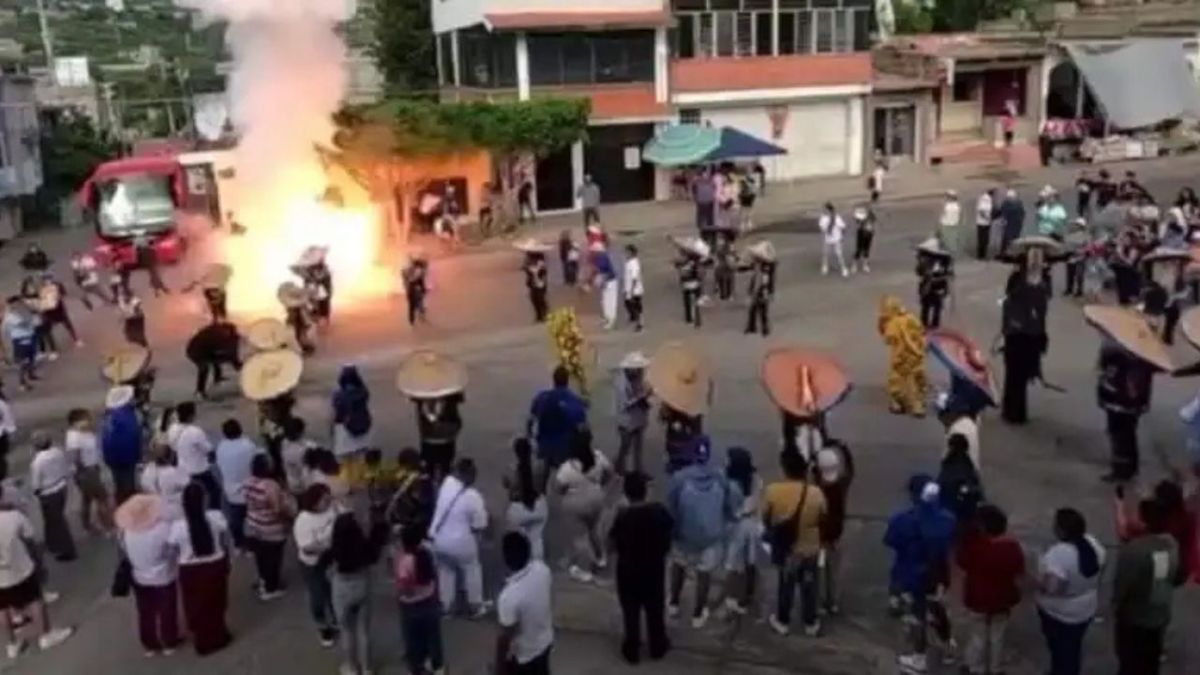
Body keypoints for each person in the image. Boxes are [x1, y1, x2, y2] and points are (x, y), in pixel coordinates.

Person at [885, 475, 957, 673]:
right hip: (938, 575)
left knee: (916, 617)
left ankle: (919, 657)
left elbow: (890, 541)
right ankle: (948, 644)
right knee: (937, 607)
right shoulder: (948, 519)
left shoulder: (902, 520)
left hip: (911, 576)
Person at [666, 448, 739, 629]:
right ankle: (698, 613)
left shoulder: (680, 478)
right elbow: (729, 507)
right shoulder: (720, 478)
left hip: (683, 536)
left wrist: (673, 530)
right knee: (704, 574)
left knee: (678, 566)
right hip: (710, 538)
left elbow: (671, 507)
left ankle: (673, 603)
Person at [0, 484, 73, 659]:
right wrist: (38, 563)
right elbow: (30, 540)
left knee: (3, 609)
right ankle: (45, 635)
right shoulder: (14, 517)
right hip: (21, 569)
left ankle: (12, 644)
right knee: (34, 600)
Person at [609, 472, 672, 664]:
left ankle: (632, 649)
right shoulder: (659, 512)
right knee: (655, 610)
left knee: (631, 611)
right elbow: (670, 532)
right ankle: (657, 645)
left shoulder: (623, 517)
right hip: (653, 569)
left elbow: (610, 544)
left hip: (628, 570)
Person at [762, 450, 827, 636]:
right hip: (809, 548)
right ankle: (810, 623)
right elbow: (823, 518)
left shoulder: (773, 491)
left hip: (787, 549)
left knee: (786, 584)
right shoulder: (816, 493)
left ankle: (783, 621)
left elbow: (766, 518)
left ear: (784, 469)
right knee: (810, 585)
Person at [956, 503, 1025, 675]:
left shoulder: (974, 547)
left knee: (978, 636)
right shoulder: (1011, 548)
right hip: (1002, 599)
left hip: (977, 599)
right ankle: (996, 669)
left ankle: (975, 668)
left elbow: (962, 562)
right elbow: (1018, 571)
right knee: (997, 637)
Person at [1113, 498, 1179, 675]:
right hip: (1159, 615)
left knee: (1129, 661)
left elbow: (1122, 586)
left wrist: (1116, 606)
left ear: (1143, 520)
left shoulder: (1135, 550)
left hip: (1136, 618)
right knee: (1150, 661)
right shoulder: (1171, 544)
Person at [1036, 508, 1104, 675]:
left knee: (1061, 651)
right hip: (1086, 607)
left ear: (1060, 530)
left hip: (1059, 612)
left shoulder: (1058, 555)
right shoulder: (1093, 544)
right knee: (1073, 646)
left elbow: (1052, 588)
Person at [169, 482, 232, 655]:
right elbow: (224, 533)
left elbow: (173, 546)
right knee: (216, 603)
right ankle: (219, 635)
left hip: (189, 569)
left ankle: (202, 639)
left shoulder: (178, 527)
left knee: (196, 605)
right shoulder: (216, 517)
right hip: (214, 564)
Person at [116, 494, 180, 656]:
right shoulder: (162, 529)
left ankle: (150, 644)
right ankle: (169, 641)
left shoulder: (125, 532)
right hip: (163, 574)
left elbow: (123, 552)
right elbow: (172, 548)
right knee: (167, 609)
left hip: (139, 575)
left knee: (145, 611)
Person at [431, 458, 490, 616]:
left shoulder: (447, 483)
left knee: (446, 571)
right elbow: (480, 525)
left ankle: (446, 605)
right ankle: (475, 605)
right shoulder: (473, 496)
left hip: (438, 539)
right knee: (472, 567)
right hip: (461, 544)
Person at [329, 511, 385, 675]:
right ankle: (367, 667)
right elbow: (375, 551)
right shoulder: (364, 547)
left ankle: (351, 667)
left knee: (346, 630)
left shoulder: (336, 548)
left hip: (342, 589)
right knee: (364, 631)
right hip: (362, 584)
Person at [1000, 246, 1051, 424]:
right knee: (1014, 373)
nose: (1035, 262)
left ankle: (1016, 411)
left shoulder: (1042, 279)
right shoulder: (1019, 278)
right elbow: (1010, 299)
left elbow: (1043, 305)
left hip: (1028, 333)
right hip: (1020, 332)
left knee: (1020, 373)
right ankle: (1012, 410)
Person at [554, 428, 612, 583]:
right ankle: (601, 558)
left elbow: (559, 488)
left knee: (580, 537)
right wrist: (601, 486)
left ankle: (584, 569)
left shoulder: (567, 467)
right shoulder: (599, 457)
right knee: (595, 530)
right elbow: (609, 473)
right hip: (596, 498)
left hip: (575, 503)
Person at [495, 532, 554, 675]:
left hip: (525, 655)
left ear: (505, 559)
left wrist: (500, 667)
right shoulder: (543, 570)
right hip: (546, 641)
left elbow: (506, 636)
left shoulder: (509, 597)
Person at [1097, 341, 1154, 483]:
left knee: (1121, 438)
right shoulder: (1139, 357)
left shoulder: (1126, 360)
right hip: (1123, 404)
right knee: (1127, 437)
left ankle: (1122, 470)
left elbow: (1131, 388)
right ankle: (1129, 468)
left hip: (1121, 405)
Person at [395, 523, 444, 674]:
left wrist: (400, 595)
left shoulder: (405, 561)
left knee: (413, 638)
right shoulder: (426, 554)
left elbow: (404, 587)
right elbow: (434, 575)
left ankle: (417, 666)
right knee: (432, 636)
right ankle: (437, 665)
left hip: (411, 605)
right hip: (429, 600)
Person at [245, 454, 294, 600]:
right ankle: (271, 588)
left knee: (261, 556)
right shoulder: (271, 486)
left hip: (255, 526)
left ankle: (263, 580)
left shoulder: (249, 482)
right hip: (272, 529)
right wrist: (287, 522)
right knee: (273, 557)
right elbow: (278, 509)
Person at [527, 366, 589, 485]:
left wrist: (531, 439)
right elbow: (582, 429)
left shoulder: (541, 397)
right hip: (566, 448)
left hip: (544, 447)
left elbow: (530, 421)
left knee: (544, 478)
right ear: (567, 380)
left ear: (553, 380)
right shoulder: (574, 400)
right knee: (565, 480)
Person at [293, 484, 337, 647]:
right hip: (312, 564)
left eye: (328, 498)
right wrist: (326, 547)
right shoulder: (303, 520)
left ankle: (335, 619)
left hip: (330, 558)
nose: (328, 502)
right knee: (317, 594)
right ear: (314, 502)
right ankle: (322, 626)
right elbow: (306, 547)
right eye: (324, 500)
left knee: (332, 591)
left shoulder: (331, 510)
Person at [814, 442, 854, 614]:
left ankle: (821, 602)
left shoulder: (816, 488)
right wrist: (843, 448)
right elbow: (851, 471)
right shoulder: (841, 486)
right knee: (834, 572)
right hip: (836, 536)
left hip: (819, 537)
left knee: (819, 571)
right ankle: (833, 602)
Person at [722, 447, 762, 616]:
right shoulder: (755, 480)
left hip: (735, 524)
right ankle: (749, 593)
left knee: (732, 563)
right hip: (752, 523)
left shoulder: (728, 483)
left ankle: (732, 597)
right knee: (750, 561)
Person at [28, 431, 76, 562]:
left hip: (48, 492)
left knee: (56, 521)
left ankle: (66, 549)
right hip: (61, 486)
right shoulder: (58, 452)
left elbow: (36, 483)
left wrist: (36, 493)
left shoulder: (37, 462)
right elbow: (65, 469)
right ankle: (52, 543)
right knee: (54, 519)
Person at [215, 418, 262, 552]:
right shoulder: (248, 445)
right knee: (254, 518)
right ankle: (256, 542)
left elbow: (219, 465)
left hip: (231, 492)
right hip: (249, 488)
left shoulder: (221, 447)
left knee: (235, 520)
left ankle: (239, 543)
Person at [878, 296, 927, 417]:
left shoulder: (892, 323)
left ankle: (898, 402)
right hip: (915, 358)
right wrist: (920, 348)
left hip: (900, 358)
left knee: (897, 380)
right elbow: (921, 333)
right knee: (917, 379)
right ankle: (918, 405)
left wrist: (881, 323)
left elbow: (888, 340)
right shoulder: (912, 318)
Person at [64, 409, 111, 533]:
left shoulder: (84, 432)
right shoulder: (74, 438)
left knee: (87, 499)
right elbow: (75, 457)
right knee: (102, 497)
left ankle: (87, 524)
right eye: (86, 419)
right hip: (87, 472)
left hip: (92, 468)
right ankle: (106, 524)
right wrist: (84, 472)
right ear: (75, 422)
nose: (89, 421)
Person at [167, 401, 219, 508]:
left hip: (182, 468)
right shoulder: (195, 431)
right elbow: (208, 449)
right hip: (198, 469)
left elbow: (172, 446)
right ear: (191, 416)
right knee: (215, 492)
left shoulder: (172, 429)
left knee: (190, 497)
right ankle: (213, 513)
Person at [505, 438, 549, 561]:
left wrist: (508, 485)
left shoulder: (512, 469)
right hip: (539, 505)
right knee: (536, 538)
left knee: (519, 539)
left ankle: (522, 565)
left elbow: (511, 491)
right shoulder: (540, 466)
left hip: (519, 508)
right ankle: (538, 565)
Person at [102, 385, 143, 505]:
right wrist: (138, 456)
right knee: (128, 485)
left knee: (118, 484)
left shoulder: (109, 415)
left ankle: (120, 504)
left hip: (111, 458)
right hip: (126, 457)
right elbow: (133, 437)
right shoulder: (127, 416)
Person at [613, 352, 652, 476]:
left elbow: (642, 391)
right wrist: (640, 397)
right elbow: (625, 404)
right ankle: (618, 466)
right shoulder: (621, 384)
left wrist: (647, 394)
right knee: (625, 447)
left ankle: (639, 471)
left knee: (638, 448)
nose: (640, 372)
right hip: (626, 421)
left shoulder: (639, 378)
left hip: (639, 418)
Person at [185, 321, 242, 400]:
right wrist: (236, 363)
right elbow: (229, 351)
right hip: (196, 352)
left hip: (207, 350)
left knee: (217, 358)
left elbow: (230, 352)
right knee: (204, 368)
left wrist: (235, 361)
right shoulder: (217, 336)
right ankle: (200, 391)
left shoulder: (221, 333)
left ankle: (217, 377)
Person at [937, 434, 984, 527]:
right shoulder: (965, 461)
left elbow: (945, 478)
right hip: (962, 498)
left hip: (952, 497)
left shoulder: (950, 460)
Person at [140, 442, 188, 522]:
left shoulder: (147, 471)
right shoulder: (172, 473)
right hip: (172, 511)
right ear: (169, 457)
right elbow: (188, 488)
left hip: (153, 511)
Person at [332, 365, 372, 461]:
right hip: (363, 426)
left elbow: (338, 412)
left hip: (345, 429)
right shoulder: (364, 392)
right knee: (361, 456)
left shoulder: (338, 395)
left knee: (346, 460)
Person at [36, 273, 81, 354]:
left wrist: (57, 296)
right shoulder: (40, 288)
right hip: (47, 312)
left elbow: (64, 294)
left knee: (68, 324)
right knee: (48, 331)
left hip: (59, 309)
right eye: (45, 279)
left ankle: (76, 339)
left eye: (48, 278)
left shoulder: (57, 285)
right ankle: (54, 350)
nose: (47, 281)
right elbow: (39, 299)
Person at [2, 297, 39, 390]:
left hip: (30, 337)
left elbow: (35, 321)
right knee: (22, 362)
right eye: (16, 304)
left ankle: (31, 374)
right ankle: (22, 382)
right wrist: (30, 315)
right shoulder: (10, 316)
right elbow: (22, 323)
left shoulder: (23, 312)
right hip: (20, 340)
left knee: (32, 358)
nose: (19, 305)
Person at [916, 240, 952, 329]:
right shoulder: (925, 260)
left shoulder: (944, 261)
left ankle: (935, 325)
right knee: (926, 306)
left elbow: (948, 274)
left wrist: (943, 276)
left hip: (938, 287)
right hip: (927, 287)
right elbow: (919, 271)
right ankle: (924, 324)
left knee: (937, 307)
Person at [744, 240, 777, 336]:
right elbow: (754, 275)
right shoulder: (759, 264)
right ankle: (753, 327)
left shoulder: (767, 267)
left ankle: (764, 328)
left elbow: (767, 280)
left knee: (762, 309)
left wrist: (768, 291)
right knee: (753, 308)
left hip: (762, 288)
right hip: (758, 287)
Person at [673, 239, 707, 328]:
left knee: (688, 303)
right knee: (696, 303)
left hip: (688, 284)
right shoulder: (695, 260)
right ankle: (696, 320)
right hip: (694, 284)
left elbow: (677, 264)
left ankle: (690, 319)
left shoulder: (683, 261)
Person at [281, 418, 316, 494]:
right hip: (306, 485)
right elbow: (307, 470)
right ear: (299, 432)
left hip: (291, 483)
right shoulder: (308, 447)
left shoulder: (284, 444)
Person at [590, 243, 619, 330]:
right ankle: (607, 319)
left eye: (593, 251)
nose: (592, 253)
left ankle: (611, 321)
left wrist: (598, 280)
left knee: (610, 303)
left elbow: (603, 271)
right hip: (606, 282)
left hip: (610, 282)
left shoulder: (602, 257)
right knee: (604, 302)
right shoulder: (600, 257)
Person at [818, 202, 848, 277]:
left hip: (836, 239)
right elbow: (822, 228)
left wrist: (841, 236)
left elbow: (843, 227)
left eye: (825, 209)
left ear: (829, 210)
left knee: (839, 254)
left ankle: (844, 269)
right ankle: (825, 266)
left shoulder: (836, 217)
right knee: (826, 254)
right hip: (828, 239)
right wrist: (825, 229)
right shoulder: (823, 218)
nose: (824, 211)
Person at [115, 283, 147, 348]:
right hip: (129, 318)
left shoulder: (135, 300)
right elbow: (122, 309)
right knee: (127, 334)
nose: (125, 297)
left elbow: (136, 308)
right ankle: (134, 346)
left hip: (137, 318)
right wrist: (121, 317)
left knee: (138, 334)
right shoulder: (121, 299)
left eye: (126, 295)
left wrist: (135, 310)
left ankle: (145, 347)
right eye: (124, 295)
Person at [401, 252, 429, 326]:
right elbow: (419, 281)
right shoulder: (417, 271)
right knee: (415, 303)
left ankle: (414, 317)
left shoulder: (413, 270)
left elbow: (407, 280)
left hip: (412, 288)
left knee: (413, 304)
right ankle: (417, 315)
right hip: (413, 288)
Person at [523, 249, 550, 323]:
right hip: (532, 282)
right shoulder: (528, 261)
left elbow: (544, 271)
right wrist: (528, 268)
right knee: (534, 299)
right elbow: (525, 268)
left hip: (540, 282)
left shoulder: (541, 261)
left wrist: (538, 269)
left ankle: (544, 314)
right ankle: (538, 315)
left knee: (540, 299)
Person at [622, 244, 644, 331]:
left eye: (627, 252)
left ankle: (639, 324)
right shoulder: (629, 263)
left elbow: (634, 278)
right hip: (630, 289)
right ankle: (634, 318)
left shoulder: (634, 263)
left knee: (636, 307)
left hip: (635, 290)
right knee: (628, 303)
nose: (625, 254)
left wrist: (631, 291)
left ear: (631, 253)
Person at [997, 189, 1025, 256]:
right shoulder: (1019, 203)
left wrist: (1002, 222)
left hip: (1010, 224)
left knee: (1006, 238)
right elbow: (1023, 214)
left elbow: (1003, 214)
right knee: (1015, 238)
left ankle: (1004, 253)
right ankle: (1014, 252)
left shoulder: (1006, 204)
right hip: (1017, 224)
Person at [851, 205, 876, 273]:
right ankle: (854, 265)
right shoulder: (860, 216)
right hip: (861, 233)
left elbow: (873, 221)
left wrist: (871, 216)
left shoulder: (872, 216)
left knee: (866, 249)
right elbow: (857, 221)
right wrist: (861, 219)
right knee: (859, 249)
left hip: (869, 233)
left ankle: (865, 265)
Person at [692, 170, 717, 237]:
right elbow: (694, 189)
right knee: (702, 218)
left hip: (708, 201)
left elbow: (714, 188)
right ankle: (703, 232)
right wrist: (695, 197)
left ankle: (708, 232)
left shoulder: (712, 180)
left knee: (709, 218)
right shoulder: (697, 180)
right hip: (702, 201)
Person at [938, 190, 962, 254]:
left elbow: (943, 214)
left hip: (946, 224)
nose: (946, 197)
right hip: (954, 224)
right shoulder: (957, 206)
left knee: (945, 238)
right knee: (952, 238)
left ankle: (945, 252)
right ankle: (952, 251)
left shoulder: (947, 206)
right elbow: (959, 216)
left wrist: (940, 222)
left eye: (947, 196)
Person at [975, 189, 995, 259]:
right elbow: (981, 211)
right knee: (983, 240)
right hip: (983, 223)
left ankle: (982, 255)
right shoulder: (986, 200)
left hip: (982, 223)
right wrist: (988, 218)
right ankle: (981, 255)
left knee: (983, 240)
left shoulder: (984, 198)